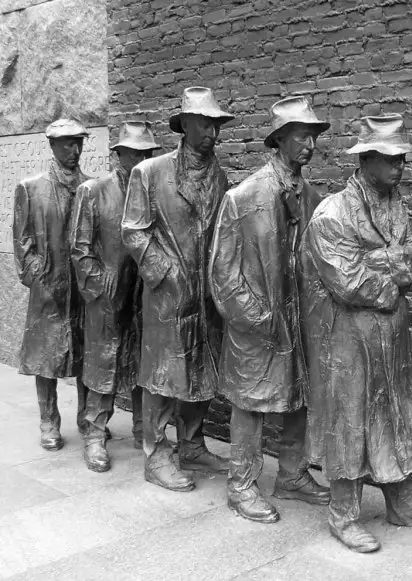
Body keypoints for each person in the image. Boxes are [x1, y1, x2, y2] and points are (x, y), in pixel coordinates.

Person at [302, 114, 412, 552]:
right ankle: (343, 514)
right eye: (389, 159)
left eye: (401, 158)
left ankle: (400, 502)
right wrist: (395, 270)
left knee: (398, 413)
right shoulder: (331, 214)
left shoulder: (396, 204)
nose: (398, 167)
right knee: (349, 420)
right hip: (350, 336)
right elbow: (348, 282)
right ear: (365, 159)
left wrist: (390, 261)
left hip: (393, 333)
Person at [209, 96, 331, 523]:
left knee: (300, 396)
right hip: (258, 322)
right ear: (279, 140)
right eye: (301, 136)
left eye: (313, 137)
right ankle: (241, 485)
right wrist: (258, 318)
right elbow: (222, 273)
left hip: (301, 319)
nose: (309, 145)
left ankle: (293, 474)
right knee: (251, 401)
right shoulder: (243, 197)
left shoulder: (314, 197)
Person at [122, 87, 231, 492]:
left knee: (203, 370)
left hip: (207, 294)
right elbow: (133, 231)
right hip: (168, 294)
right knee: (163, 375)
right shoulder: (149, 173)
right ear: (184, 125)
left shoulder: (219, 175)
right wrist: (165, 271)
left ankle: (192, 444)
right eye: (204, 124)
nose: (212, 133)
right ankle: (156, 454)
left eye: (215, 125)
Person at [71, 121, 160, 472]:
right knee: (102, 363)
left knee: (142, 360)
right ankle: (95, 432)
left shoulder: (151, 192)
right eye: (134, 152)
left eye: (146, 153)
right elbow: (79, 247)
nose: (140, 158)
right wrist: (97, 284)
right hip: (106, 295)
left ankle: (143, 427)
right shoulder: (94, 191)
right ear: (119, 154)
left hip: (143, 291)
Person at [13, 119, 93, 451]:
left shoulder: (92, 186)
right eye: (67, 144)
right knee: (46, 356)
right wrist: (38, 277)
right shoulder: (30, 188)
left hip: (84, 288)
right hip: (49, 287)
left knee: (87, 353)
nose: (74, 150)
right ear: (52, 146)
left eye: (78, 143)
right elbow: (22, 241)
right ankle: (48, 420)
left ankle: (87, 419)